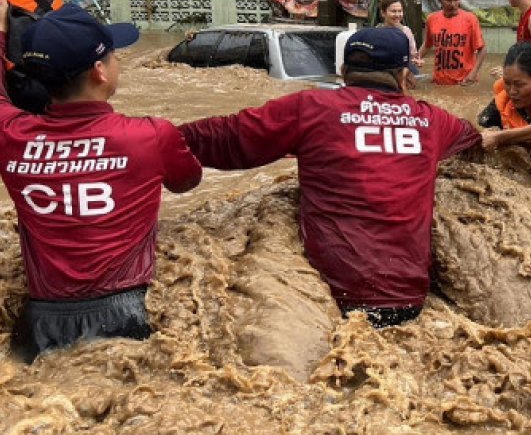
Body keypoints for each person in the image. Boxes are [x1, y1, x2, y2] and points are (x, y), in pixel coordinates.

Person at [179, 27, 481, 328]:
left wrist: (155, 139)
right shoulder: (433, 121)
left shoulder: (309, 108)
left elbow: (226, 139)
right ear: (404, 76)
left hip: (326, 299)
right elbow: (474, 137)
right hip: (409, 299)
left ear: (343, 71)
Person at [0, 1, 202, 363]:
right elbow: (187, 182)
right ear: (99, 72)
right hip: (123, 317)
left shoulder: (11, 137)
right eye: (113, 55)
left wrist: (1, 32)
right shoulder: (151, 136)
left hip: (37, 324)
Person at [419, 0, 486, 85]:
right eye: (448, 0)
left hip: (465, 81)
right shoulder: (432, 19)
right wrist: (415, 60)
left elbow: (482, 49)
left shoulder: (470, 19)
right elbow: (427, 44)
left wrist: (473, 74)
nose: (453, 4)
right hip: (440, 81)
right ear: (440, 0)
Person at [377, 0, 422, 74]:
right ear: (383, 13)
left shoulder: (406, 31)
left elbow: (413, 54)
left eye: (400, 11)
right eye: (393, 11)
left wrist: (416, 60)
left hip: (405, 68)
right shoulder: (376, 31)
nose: (398, 15)